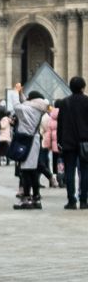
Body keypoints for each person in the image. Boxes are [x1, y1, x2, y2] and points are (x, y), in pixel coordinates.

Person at [11, 90, 51, 210]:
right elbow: (25, 103)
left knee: (26, 170)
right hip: (35, 140)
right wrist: (21, 93)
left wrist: (15, 92)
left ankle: (27, 199)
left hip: (26, 141)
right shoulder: (39, 108)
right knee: (33, 170)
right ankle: (36, 198)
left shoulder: (28, 109)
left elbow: (17, 106)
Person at [57, 77, 88, 210]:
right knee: (85, 172)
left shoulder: (64, 102)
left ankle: (71, 200)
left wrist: (59, 141)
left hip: (68, 142)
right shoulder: (87, 101)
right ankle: (83, 201)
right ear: (83, 87)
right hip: (85, 141)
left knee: (69, 171)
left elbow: (60, 124)